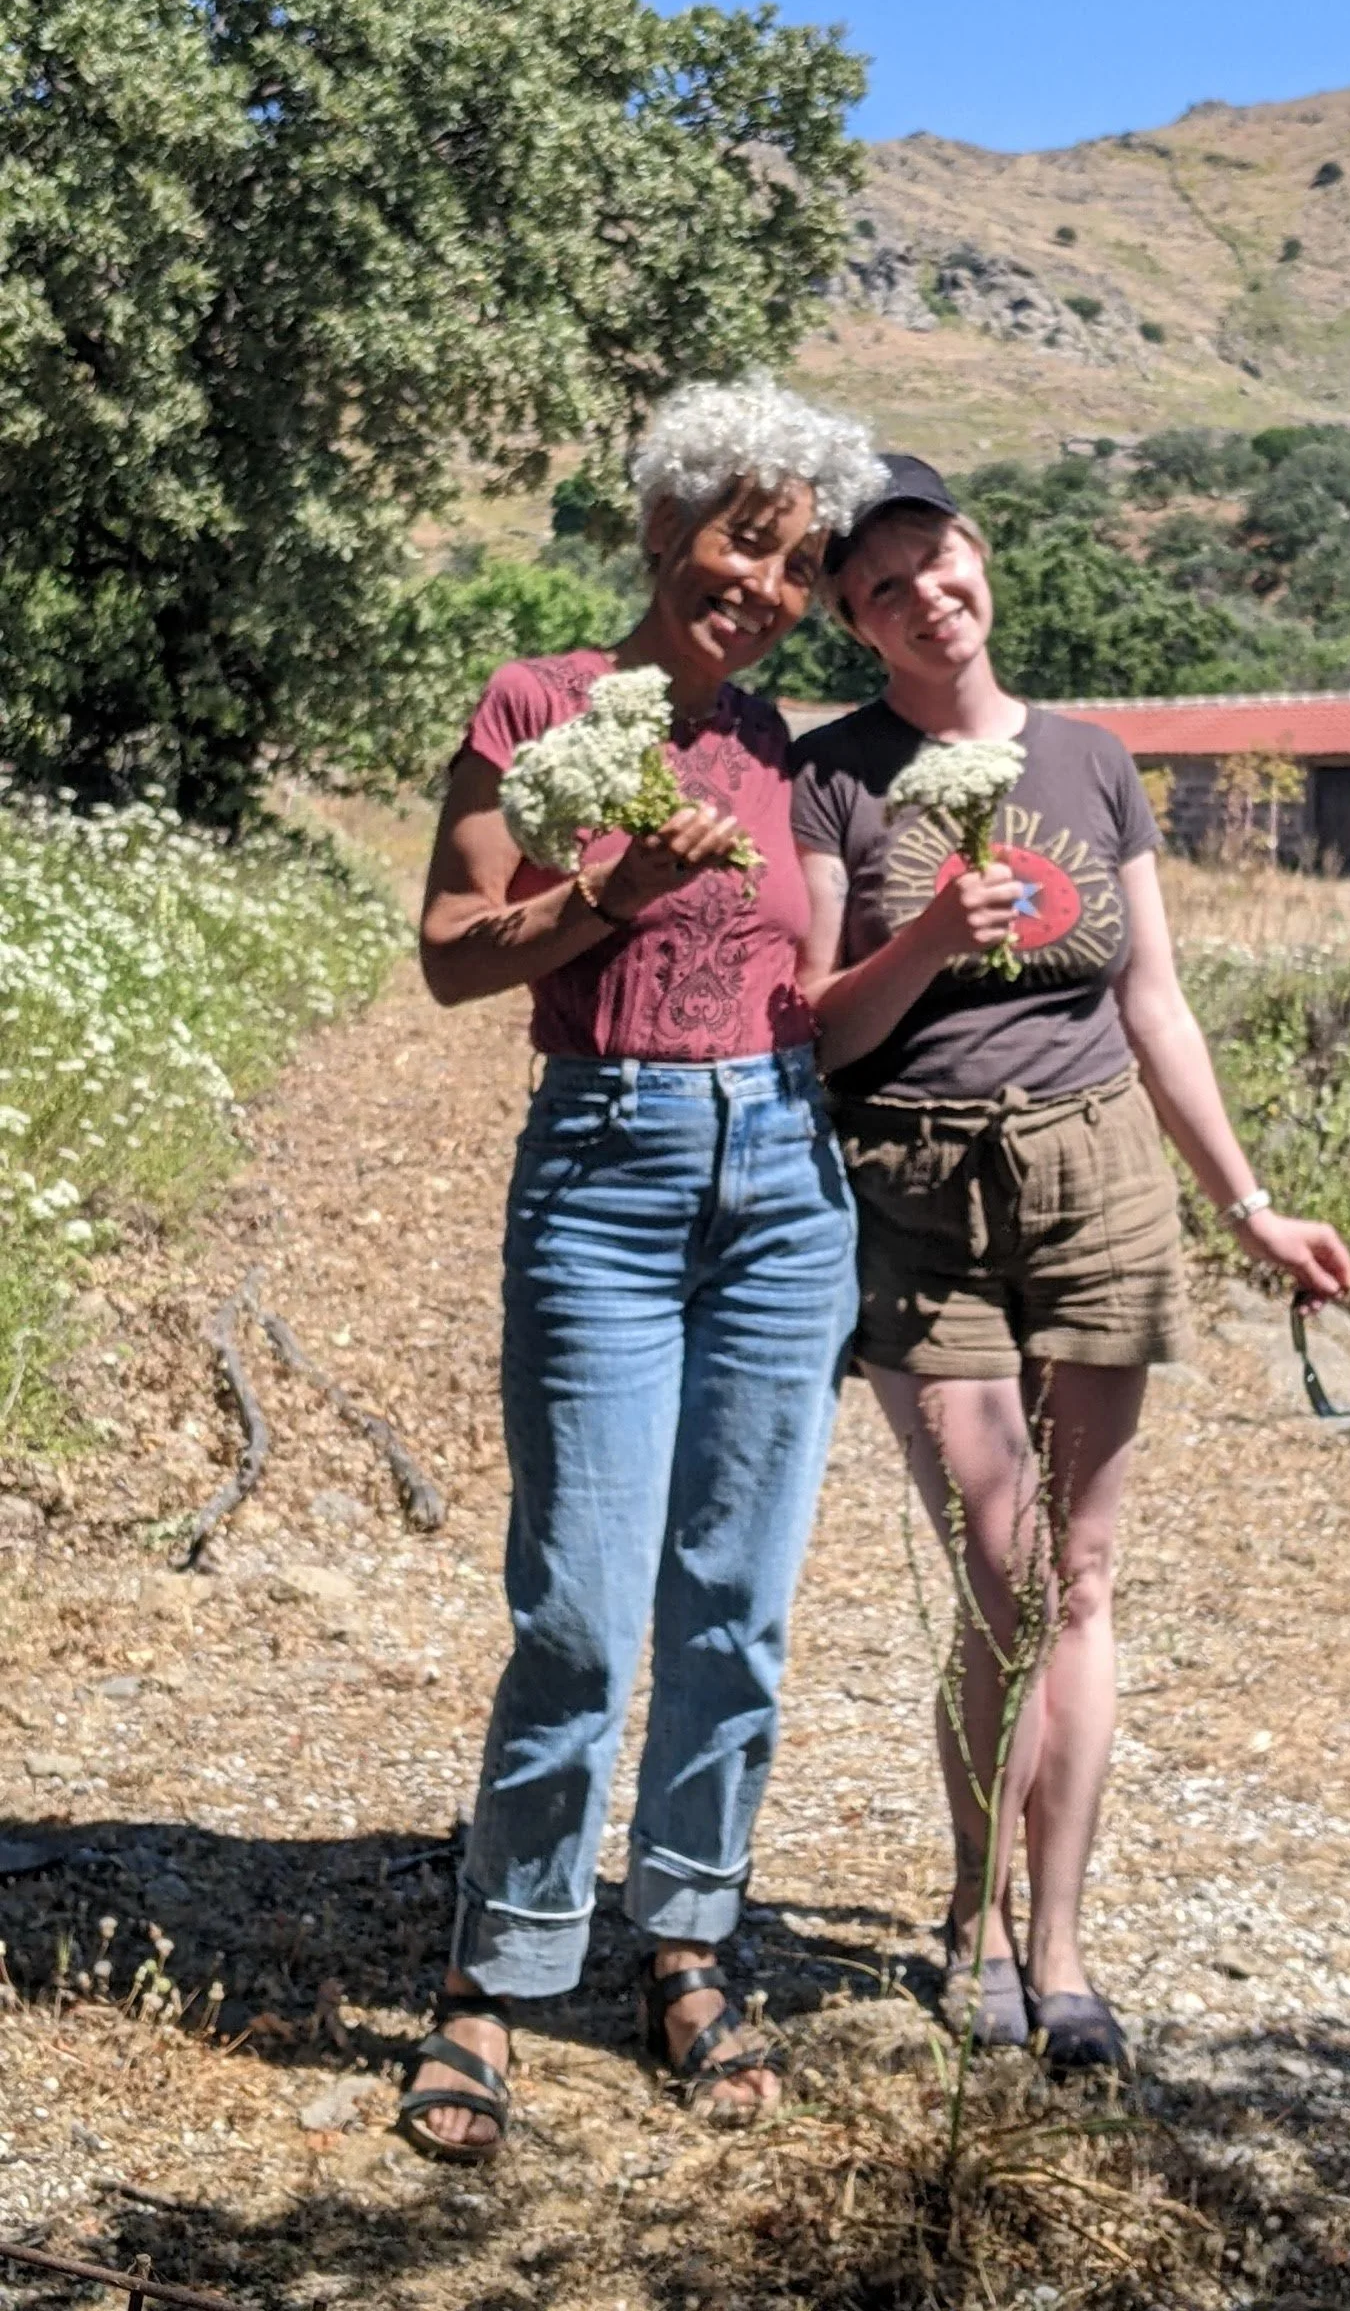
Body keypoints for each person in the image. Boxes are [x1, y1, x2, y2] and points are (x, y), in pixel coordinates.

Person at [790, 452, 1350, 2075]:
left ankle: (1063, 1948)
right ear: (851, 621)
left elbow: (1151, 1003)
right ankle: (963, 1919)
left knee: (1085, 1580)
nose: (921, 597)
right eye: (880, 585)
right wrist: (933, 940)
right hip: (918, 1188)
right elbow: (822, 1027)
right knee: (1004, 1571)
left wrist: (1246, 1201)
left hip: (1100, 1179)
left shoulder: (1096, 762)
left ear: (982, 562)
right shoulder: (840, 776)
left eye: (937, 559)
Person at [398, 375, 883, 2160]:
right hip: (602, 1170)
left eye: (797, 563)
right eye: (743, 541)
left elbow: (822, 990)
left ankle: (687, 1942)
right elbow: (453, 958)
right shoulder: (538, 705)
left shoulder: (789, 750)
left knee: (734, 1607)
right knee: (584, 1611)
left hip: (782, 1174)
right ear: (668, 524)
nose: (762, 584)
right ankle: (500, 1970)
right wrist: (605, 893)